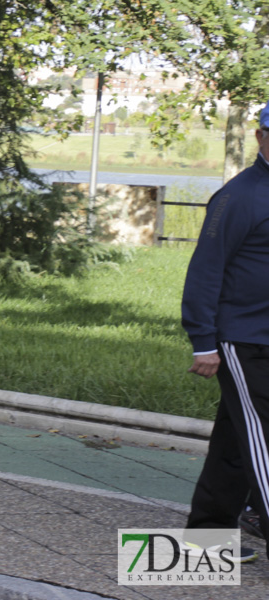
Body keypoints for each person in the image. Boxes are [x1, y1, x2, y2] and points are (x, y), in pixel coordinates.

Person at [181, 99, 269, 562]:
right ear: (260, 137)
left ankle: (206, 542)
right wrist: (203, 340)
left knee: (237, 440)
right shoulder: (239, 197)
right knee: (264, 441)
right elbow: (205, 271)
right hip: (244, 340)